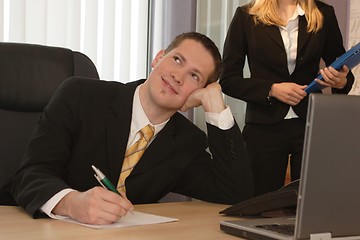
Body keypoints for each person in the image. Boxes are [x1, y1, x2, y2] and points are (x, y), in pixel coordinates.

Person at [11, 32, 254, 225]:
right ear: (158, 58)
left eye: (194, 76)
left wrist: (215, 105)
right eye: (177, 60)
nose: (179, 76)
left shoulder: (187, 141)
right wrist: (72, 203)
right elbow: (30, 175)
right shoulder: (80, 95)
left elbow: (235, 192)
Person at [220, 0, 354, 196]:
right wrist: (271, 89)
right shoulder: (245, 16)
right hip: (263, 126)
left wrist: (340, 81)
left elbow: (344, 73)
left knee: (312, 201)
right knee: (260, 203)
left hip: (310, 125)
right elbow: (229, 79)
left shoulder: (323, 13)